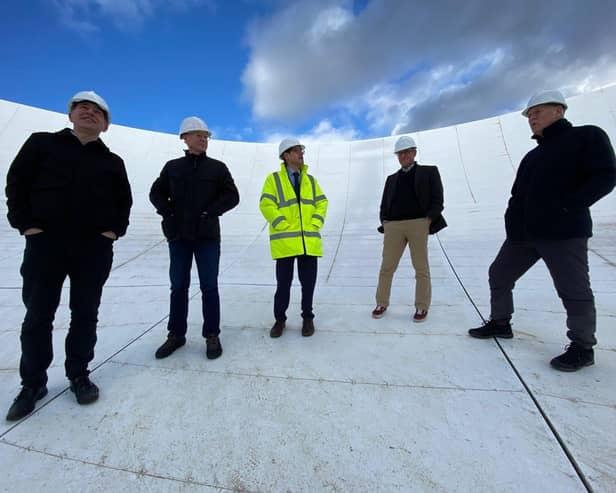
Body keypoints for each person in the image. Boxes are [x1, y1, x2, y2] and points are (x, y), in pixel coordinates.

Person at [5, 91, 133, 421]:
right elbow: (16, 183)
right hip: (46, 244)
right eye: (83, 108)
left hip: (93, 248)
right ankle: (32, 383)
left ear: (105, 125)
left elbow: (123, 201)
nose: (89, 113)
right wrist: (26, 224)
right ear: (71, 114)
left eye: (97, 112)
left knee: (85, 312)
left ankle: (79, 374)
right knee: (38, 315)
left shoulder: (112, 161)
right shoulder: (42, 144)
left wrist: (113, 231)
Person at [468, 89, 616, 371]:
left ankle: (583, 346)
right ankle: (501, 323)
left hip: (564, 231)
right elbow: (516, 196)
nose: (532, 118)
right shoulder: (531, 157)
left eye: (537, 112)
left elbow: (606, 177)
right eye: (529, 115)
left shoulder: (586, 136)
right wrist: (512, 225)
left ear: (559, 110)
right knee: (499, 274)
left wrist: (566, 206)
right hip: (524, 235)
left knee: (572, 288)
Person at [150, 116, 239, 360]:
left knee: (209, 286)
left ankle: (212, 335)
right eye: (198, 134)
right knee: (178, 286)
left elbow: (232, 196)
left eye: (206, 135)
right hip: (179, 237)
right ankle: (176, 335)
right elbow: (155, 192)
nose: (203, 139)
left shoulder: (217, 168)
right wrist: (167, 213)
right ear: (184, 138)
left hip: (207, 237)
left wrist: (210, 212)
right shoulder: (172, 167)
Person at [372, 135, 446, 322]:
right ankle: (382, 302)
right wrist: (385, 222)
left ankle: (422, 306)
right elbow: (384, 204)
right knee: (387, 266)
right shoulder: (392, 179)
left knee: (421, 267)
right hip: (393, 226)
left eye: (406, 152)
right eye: (400, 153)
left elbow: (438, 199)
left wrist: (428, 219)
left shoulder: (429, 172)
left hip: (418, 223)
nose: (403, 156)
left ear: (414, 152)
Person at [259, 138, 328, 338]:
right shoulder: (274, 179)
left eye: (301, 150)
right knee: (283, 285)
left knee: (309, 284)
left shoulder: (311, 180)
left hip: (309, 242)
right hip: (286, 242)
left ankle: (308, 318)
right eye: (297, 150)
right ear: (285, 155)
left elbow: (322, 202)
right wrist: (280, 222)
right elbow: (266, 204)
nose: (301, 153)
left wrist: (316, 222)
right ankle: (280, 320)